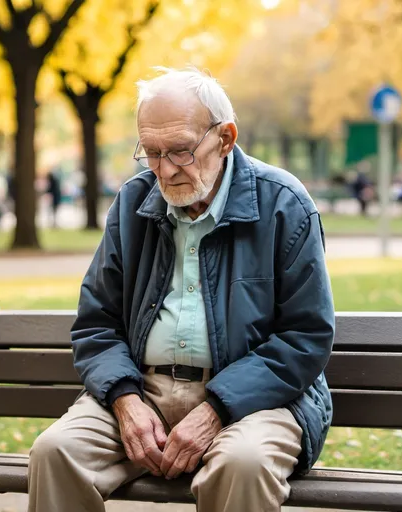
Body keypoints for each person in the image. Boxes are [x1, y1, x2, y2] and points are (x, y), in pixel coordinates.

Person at [28, 67, 335, 512]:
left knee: (243, 463)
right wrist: (125, 400)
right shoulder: (133, 203)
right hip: (141, 389)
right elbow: (96, 325)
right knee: (55, 453)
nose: (165, 170)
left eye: (180, 151)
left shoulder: (284, 204)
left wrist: (217, 409)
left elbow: (305, 338)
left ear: (225, 138)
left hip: (257, 401)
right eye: (150, 152)